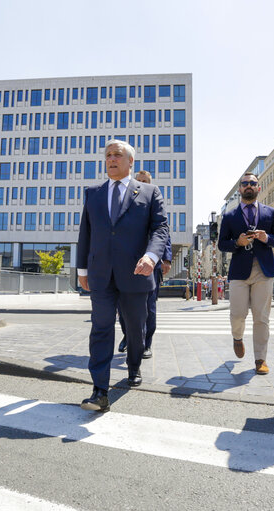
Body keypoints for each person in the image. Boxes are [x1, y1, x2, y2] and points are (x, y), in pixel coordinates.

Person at [77, 139, 169, 412]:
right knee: (101, 329)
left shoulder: (149, 192)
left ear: (130, 162)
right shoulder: (93, 193)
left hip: (137, 273)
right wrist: (82, 269)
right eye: (108, 155)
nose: (111, 159)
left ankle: (134, 366)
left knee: (135, 330)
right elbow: (86, 233)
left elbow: (161, 229)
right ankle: (99, 390)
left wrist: (151, 256)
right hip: (101, 274)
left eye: (117, 155)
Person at [218, 172, 274, 375]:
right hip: (239, 271)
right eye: (245, 183)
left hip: (264, 271)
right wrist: (237, 243)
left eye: (252, 183)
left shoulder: (271, 213)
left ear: (259, 188)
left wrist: (267, 238)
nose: (248, 186)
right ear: (239, 189)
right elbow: (222, 244)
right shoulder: (229, 216)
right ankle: (237, 338)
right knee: (237, 315)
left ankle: (260, 359)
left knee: (261, 317)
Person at [117, 170, 172, 359]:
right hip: (126, 264)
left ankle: (146, 344)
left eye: (145, 181)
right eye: (138, 181)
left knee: (148, 308)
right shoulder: (125, 203)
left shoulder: (154, 202)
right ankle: (129, 336)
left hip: (151, 265)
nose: (141, 184)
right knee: (122, 306)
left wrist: (166, 258)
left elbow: (164, 232)